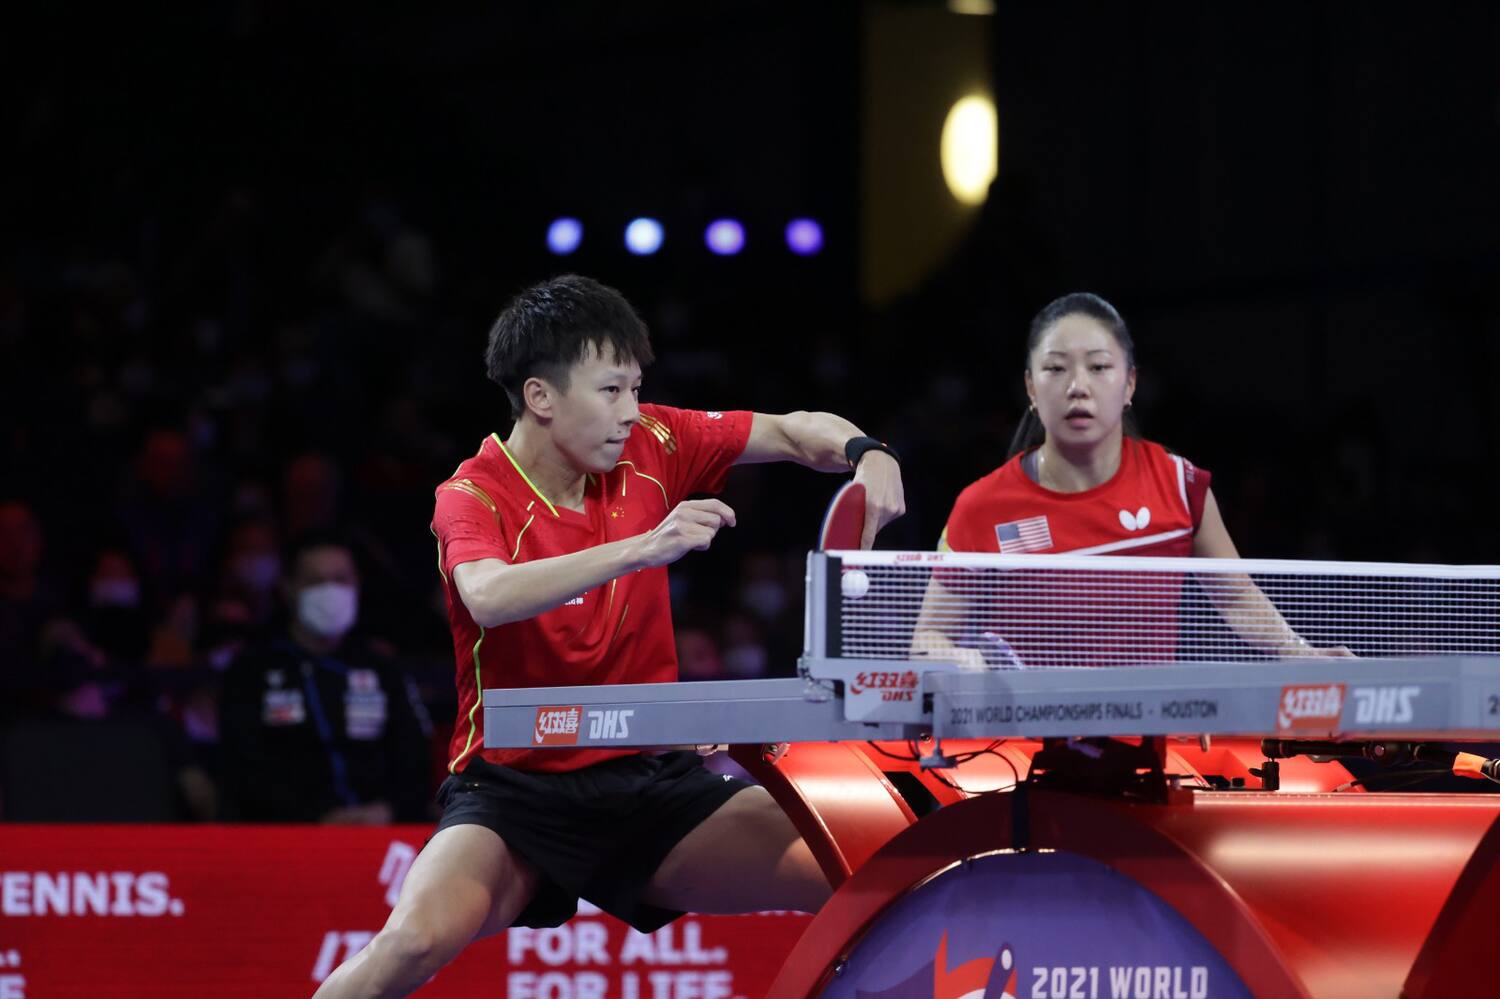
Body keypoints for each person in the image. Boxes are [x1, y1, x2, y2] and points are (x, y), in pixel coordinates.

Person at [314, 274, 904, 997]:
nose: (632, 411)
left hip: (648, 785)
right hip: (515, 794)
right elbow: (488, 594)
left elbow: (790, 429)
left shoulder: (654, 440)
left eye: (635, 388)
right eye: (612, 390)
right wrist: (641, 548)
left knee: (863, 872)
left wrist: (867, 450)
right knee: (412, 940)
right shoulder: (470, 494)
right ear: (541, 396)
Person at [913, 292, 1346, 667]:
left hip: (1150, 744)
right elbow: (926, 641)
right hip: (1023, 748)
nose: (1078, 387)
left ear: (1130, 384)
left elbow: (1234, 598)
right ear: (1030, 388)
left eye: (1099, 368)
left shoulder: (1178, 485)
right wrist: (955, 658)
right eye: (1056, 368)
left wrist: (1299, 651)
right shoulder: (982, 506)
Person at [218, 532, 431, 823]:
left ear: (357, 585)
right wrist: (315, 818)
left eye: (340, 579)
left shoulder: (382, 669)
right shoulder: (252, 671)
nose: (330, 591)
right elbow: (241, 770)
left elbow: (416, 760)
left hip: (381, 830)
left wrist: (388, 810)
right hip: (287, 837)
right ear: (288, 588)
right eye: (315, 581)